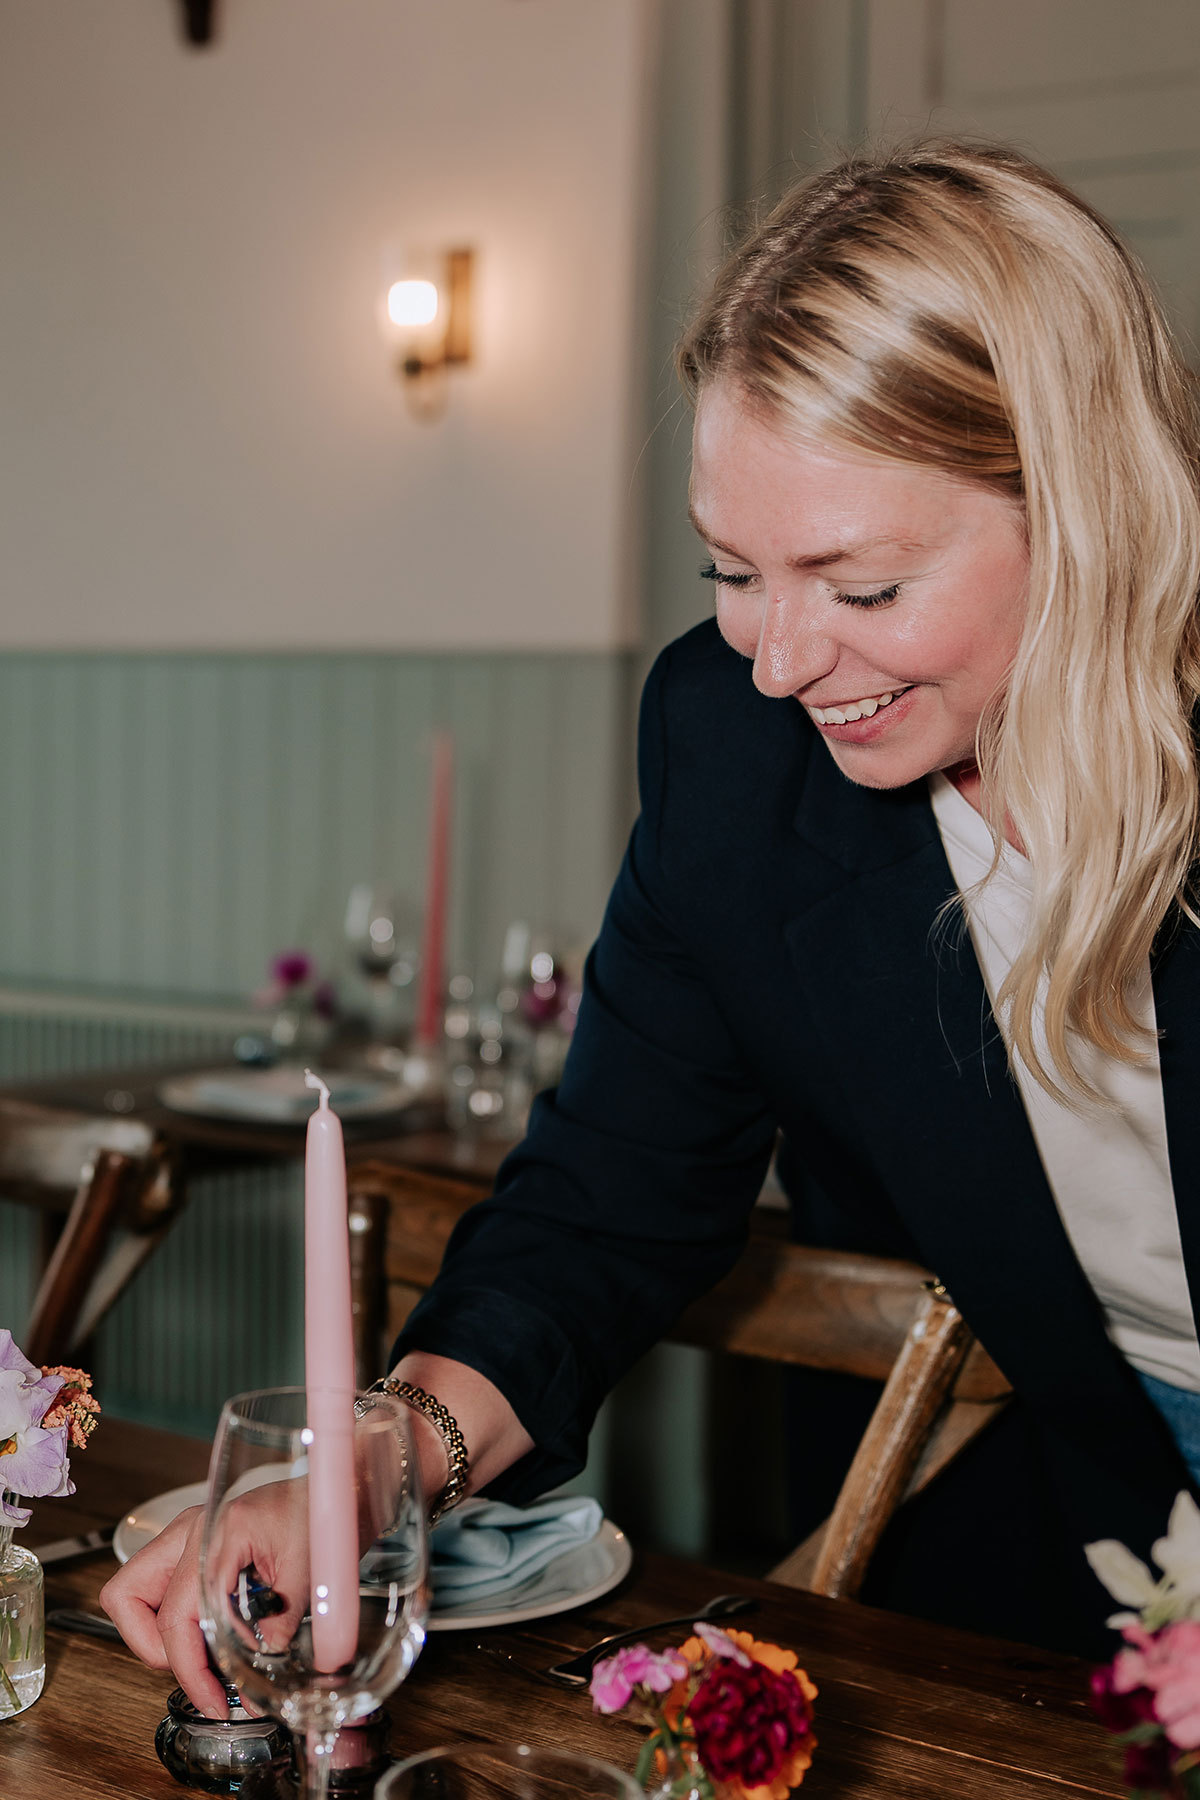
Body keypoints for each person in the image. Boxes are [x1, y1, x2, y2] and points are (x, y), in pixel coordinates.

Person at [103, 138, 1200, 1693]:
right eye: (732, 570)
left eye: (863, 586)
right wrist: (377, 1461)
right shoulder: (734, 739)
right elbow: (610, 1198)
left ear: (1088, 509)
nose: (777, 660)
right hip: (1054, 1488)